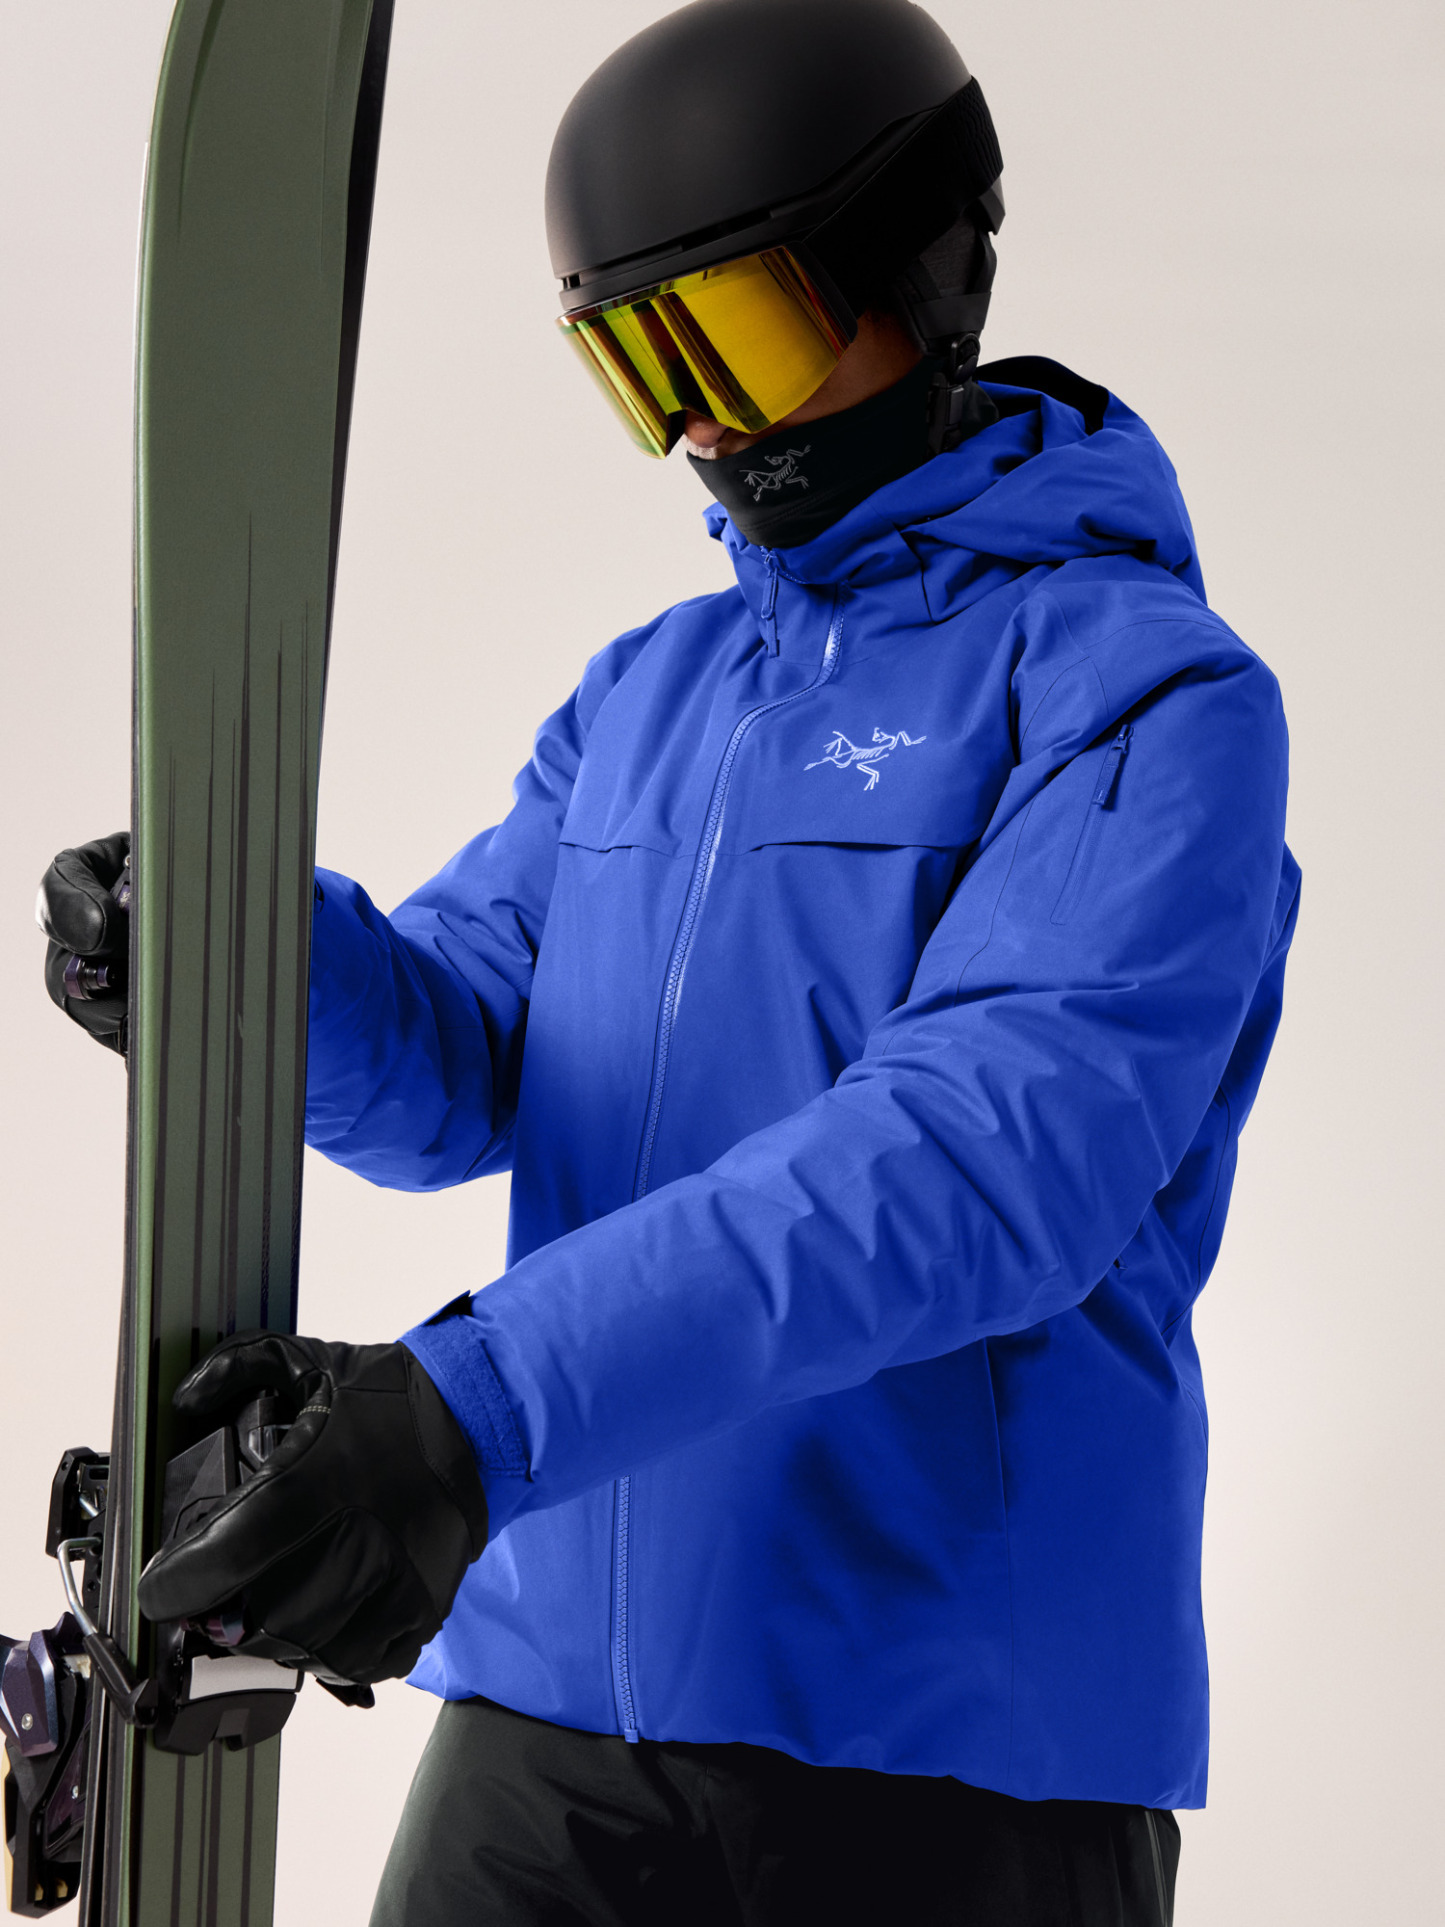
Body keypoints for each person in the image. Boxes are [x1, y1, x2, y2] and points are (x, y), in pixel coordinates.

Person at [37, 2, 1300, 1920]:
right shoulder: (653, 694)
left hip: (944, 1740)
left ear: (930, 281)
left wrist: (470, 1412)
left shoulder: (1142, 698)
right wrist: (250, 969)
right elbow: (472, 1059)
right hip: (547, 1705)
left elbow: (980, 1165)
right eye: (646, 364)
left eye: (743, 337)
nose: (705, 424)